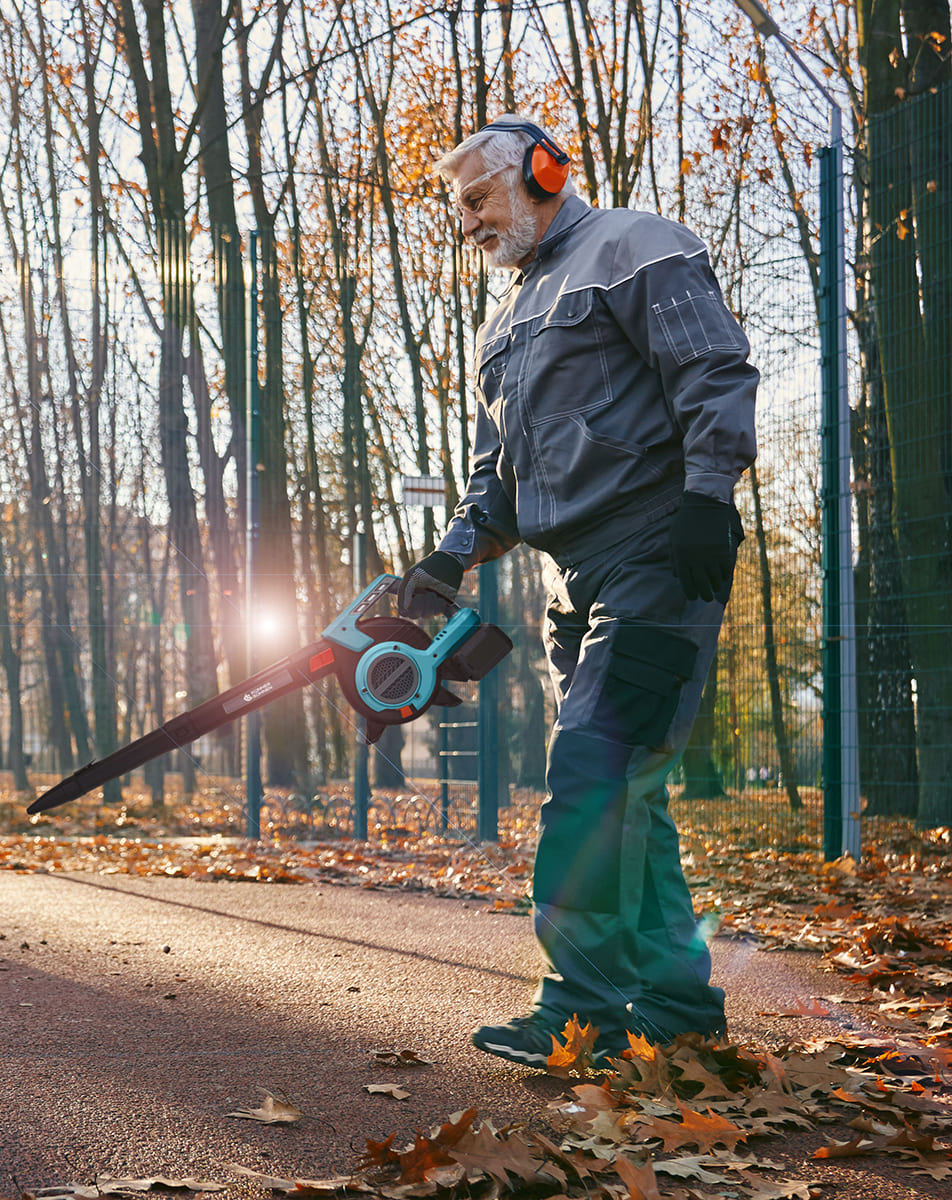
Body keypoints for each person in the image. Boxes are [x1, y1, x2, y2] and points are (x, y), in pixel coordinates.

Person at [401, 115, 757, 1067]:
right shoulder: (504, 319)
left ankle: (583, 1010)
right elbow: (499, 474)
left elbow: (713, 369)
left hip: (659, 554)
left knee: (593, 774)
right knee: (631, 787)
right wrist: (447, 559)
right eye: (458, 206)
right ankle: (677, 1007)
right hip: (575, 577)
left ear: (545, 172)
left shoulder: (635, 247)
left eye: (479, 197)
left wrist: (709, 497)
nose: (467, 220)